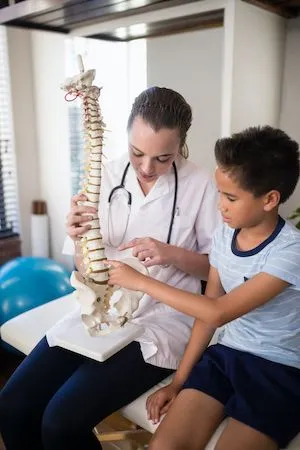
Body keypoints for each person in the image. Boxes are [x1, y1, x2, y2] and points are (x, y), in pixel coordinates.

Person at [0, 87, 219, 450]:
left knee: (61, 422)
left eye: (163, 158)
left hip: (164, 320)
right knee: (13, 405)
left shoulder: (201, 185)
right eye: (137, 153)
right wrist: (79, 240)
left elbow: (216, 272)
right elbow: (85, 269)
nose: (147, 168)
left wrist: (170, 254)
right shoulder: (105, 175)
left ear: (182, 144)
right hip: (101, 312)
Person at [107, 126, 300, 450]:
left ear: (269, 199)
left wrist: (141, 282)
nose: (219, 205)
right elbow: (208, 314)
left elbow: (218, 311)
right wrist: (178, 384)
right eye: (219, 193)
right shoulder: (225, 236)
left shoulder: (290, 252)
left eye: (231, 197)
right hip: (226, 357)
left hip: (279, 371)